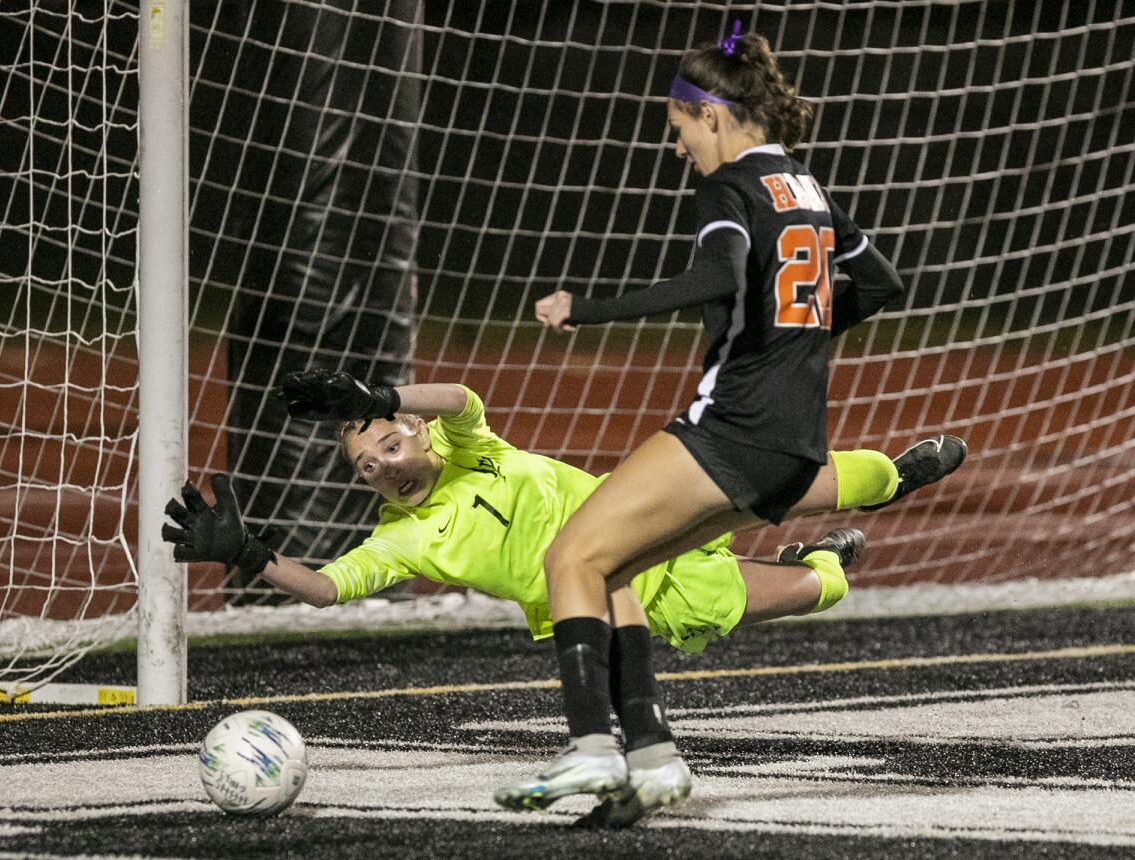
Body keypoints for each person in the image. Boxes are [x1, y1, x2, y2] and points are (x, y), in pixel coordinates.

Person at [490, 23, 965, 826]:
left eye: (677, 127)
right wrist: (796, 339)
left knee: (567, 555)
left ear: (710, 115)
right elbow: (881, 282)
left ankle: (589, 749)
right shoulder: (804, 186)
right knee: (613, 572)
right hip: (793, 446)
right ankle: (650, 758)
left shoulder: (730, 186)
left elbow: (717, 271)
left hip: (732, 429)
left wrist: (588, 308)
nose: (674, 146)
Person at [162, 373, 964, 825]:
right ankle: (819, 564)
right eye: (367, 466)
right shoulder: (403, 536)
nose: (384, 466)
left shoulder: (472, 450)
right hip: (643, 593)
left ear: (419, 436)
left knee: (781, 482)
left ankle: (892, 476)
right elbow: (329, 589)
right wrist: (251, 554)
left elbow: (463, 400)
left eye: (390, 443)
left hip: (647, 519)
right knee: (817, 590)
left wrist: (379, 386)